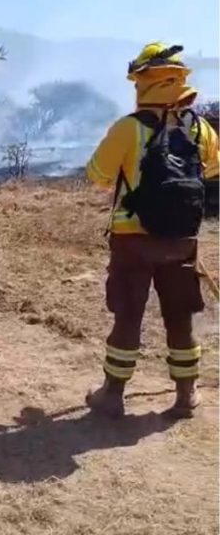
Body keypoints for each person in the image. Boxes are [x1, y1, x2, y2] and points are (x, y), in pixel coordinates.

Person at [85, 42, 219, 419]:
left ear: (144, 81)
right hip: (182, 240)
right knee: (180, 315)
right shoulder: (198, 127)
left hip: (132, 239)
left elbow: (97, 176)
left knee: (128, 315)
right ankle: (185, 395)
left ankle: (112, 395)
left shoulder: (128, 129)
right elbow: (212, 170)